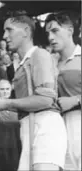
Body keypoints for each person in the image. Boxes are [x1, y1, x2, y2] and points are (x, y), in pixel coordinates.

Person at [0, 10, 67, 170]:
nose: (4, 36)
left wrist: (6, 103)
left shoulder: (39, 55)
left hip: (45, 128)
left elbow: (45, 99)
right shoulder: (23, 63)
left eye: (9, 30)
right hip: (29, 127)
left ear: (26, 32)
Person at [45, 10, 81, 170]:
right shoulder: (49, 62)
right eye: (48, 33)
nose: (50, 38)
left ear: (70, 31)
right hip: (57, 127)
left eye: (55, 31)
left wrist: (75, 100)